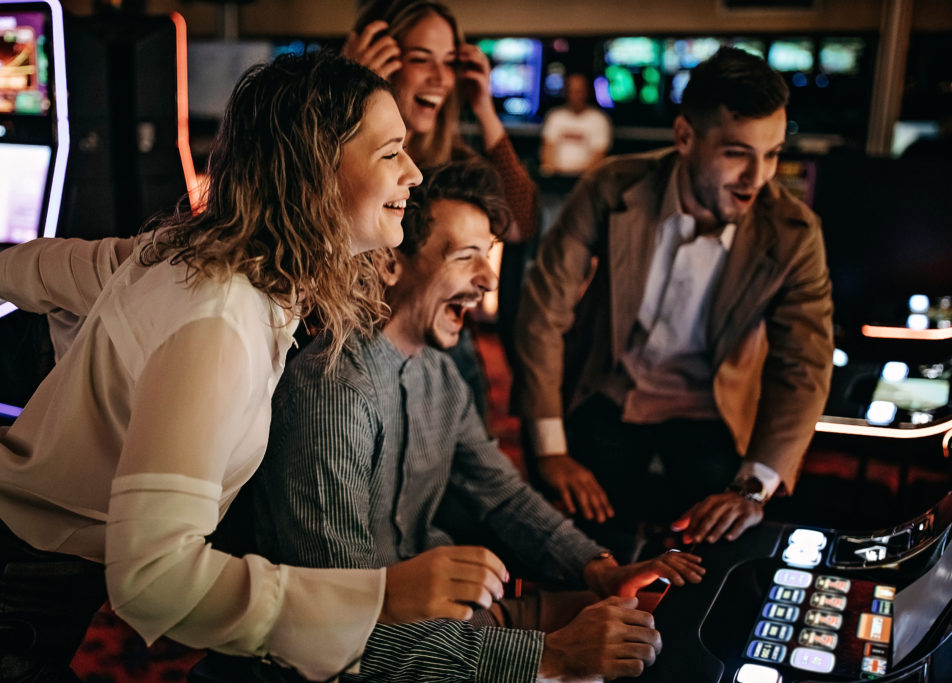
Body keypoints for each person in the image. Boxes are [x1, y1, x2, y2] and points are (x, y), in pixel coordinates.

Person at [0, 52, 508, 682]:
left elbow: (10, 269)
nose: (416, 173)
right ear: (315, 168)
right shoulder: (220, 316)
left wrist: (99, 363)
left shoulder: (188, 258)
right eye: (391, 152)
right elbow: (153, 581)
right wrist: (381, 598)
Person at [197, 159, 704, 683]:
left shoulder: (439, 371)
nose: (488, 280)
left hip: (438, 622)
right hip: (344, 659)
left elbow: (502, 494)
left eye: (488, 257)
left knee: (647, 628)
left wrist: (598, 567)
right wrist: (548, 657)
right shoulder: (333, 395)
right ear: (390, 263)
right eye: (467, 258)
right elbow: (339, 629)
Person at [514, 47, 834, 557]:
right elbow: (543, 312)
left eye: (771, 153)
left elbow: (805, 365)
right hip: (607, 391)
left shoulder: (794, 234)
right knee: (578, 549)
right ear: (685, 137)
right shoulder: (611, 186)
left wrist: (753, 485)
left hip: (712, 413)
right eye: (737, 153)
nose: (758, 177)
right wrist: (550, 450)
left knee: (714, 556)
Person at [342, 0, 541, 399]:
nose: (440, 78)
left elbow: (521, 223)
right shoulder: (339, 150)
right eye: (421, 59)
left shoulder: (448, 159)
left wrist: (483, 106)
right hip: (351, 350)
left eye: (449, 62)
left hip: (442, 349)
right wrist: (349, 88)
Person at [540, 72, 613, 176]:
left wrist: (583, 176)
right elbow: (547, 149)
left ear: (586, 92)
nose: (575, 96)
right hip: (557, 177)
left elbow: (599, 157)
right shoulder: (555, 116)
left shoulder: (599, 119)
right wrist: (551, 172)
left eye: (579, 91)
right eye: (571, 91)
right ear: (566, 92)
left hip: (585, 178)